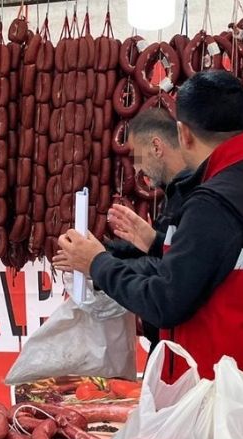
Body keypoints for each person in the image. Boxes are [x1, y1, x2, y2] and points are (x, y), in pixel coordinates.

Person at [54, 70, 243, 439]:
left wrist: (96, 263)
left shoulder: (214, 202)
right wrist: (157, 243)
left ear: (183, 133)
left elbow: (165, 303)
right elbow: (230, 265)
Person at [104, 106, 199, 346]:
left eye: (137, 155)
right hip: (169, 341)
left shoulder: (196, 197)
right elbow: (168, 249)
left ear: (156, 147)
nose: (137, 168)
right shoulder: (178, 190)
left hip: (183, 345)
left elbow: (170, 272)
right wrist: (111, 251)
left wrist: (98, 265)